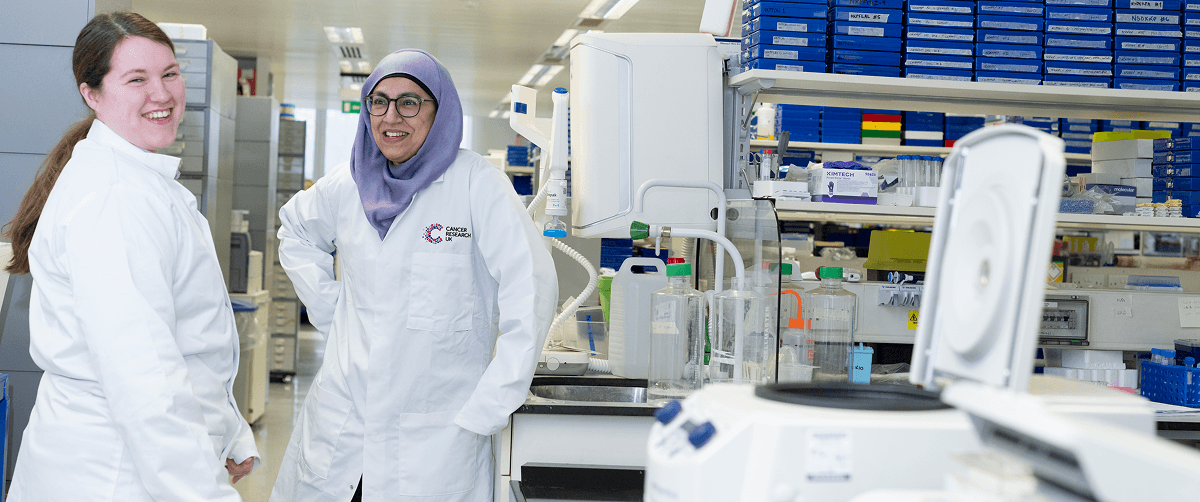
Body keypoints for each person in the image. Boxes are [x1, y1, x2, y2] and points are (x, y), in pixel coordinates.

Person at [269, 49, 558, 502]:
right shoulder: (348, 183)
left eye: (409, 102)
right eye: (378, 101)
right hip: (345, 433)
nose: (390, 117)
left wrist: (494, 401)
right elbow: (295, 230)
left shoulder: (476, 184)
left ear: (439, 110)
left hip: (436, 442)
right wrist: (333, 310)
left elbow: (533, 287)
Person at [3, 12, 258, 501]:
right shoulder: (114, 199)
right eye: (136, 79)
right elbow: (144, 381)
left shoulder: (135, 182)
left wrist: (224, 428)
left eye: (169, 73)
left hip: (128, 458)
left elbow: (182, 342)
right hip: (113, 470)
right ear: (91, 94)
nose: (161, 94)